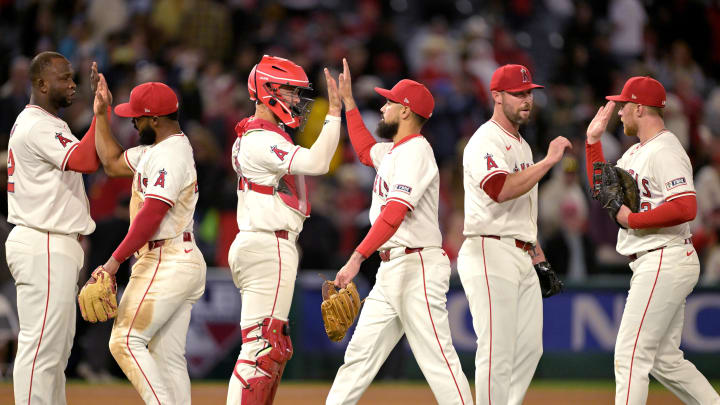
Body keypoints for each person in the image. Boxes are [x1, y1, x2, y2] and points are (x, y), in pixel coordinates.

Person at [327, 59, 473, 405]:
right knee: (359, 356)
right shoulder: (394, 151)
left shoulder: (417, 152)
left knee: (438, 359)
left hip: (417, 265)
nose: (382, 106)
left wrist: (355, 258)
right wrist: (349, 103)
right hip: (392, 268)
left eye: (389, 102)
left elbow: (394, 214)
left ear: (406, 111)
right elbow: (364, 149)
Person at [585, 76, 720, 405]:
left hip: (664, 257)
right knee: (664, 360)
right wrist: (592, 142)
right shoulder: (636, 151)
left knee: (629, 355)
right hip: (659, 258)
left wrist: (633, 219)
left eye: (624, 106)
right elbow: (604, 191)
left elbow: (686, 206)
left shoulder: (665, 150)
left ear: (640, 108)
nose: (619, 112)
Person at [226, 55, 341, 404]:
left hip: (260, 241)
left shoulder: (255, 134)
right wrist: (335, 113)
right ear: (267, 91)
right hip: (268, 244)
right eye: (290, 92)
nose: (296, 101)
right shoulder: (262, 138)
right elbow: (318, 163)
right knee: (263, 346)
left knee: (266, 345)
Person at [457, 64, 571, 405]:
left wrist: (538, 256)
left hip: (520, 252)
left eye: (529, 93)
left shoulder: (521, 145)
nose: (527, 99)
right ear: (496, 96)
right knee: (497, 348)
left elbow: (521, 212)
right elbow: (500, 189)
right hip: (489, 250)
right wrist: (549, 162)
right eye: (518, 93)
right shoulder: (485, 140)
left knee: (530, 349)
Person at [90, 77, 206, 404]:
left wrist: (112, 263)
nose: (133, 122)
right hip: (178, 256)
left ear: (155, 119)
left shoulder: (171, 155)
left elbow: (152, 214)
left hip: (166, 257)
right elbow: (112, 164)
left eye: (138, 117)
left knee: (124, 341)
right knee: (168, 358)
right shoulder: (156, 150)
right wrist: (101, 115)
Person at [5, 51, 102, 404]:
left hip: (49, 243)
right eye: (64, 78)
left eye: (72, 77)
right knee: (41, 351)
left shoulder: (47, 123)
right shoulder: (37, 124)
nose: (73, 84)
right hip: (43, 242)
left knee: (54, 353)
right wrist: (100, 114)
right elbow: (87, 160)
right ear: (42, 84)